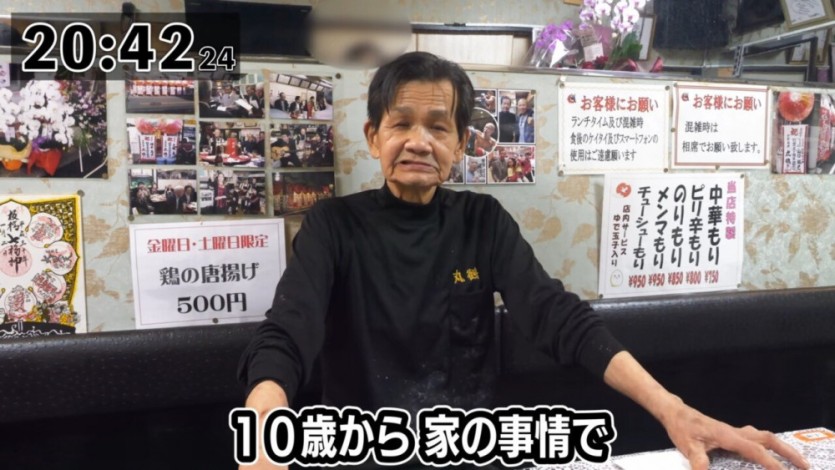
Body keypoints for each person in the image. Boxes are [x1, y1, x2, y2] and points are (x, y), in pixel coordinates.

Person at [238, 52, 809, 470]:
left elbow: (558, 316)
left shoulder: (481, 221)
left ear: (460, 144)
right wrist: (265, 432)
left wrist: (674, 410)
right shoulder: (333, 226)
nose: (418, 141)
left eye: (437, 127)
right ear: (373, 136)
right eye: (401, 123)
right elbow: (288, 332)